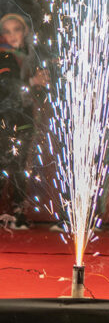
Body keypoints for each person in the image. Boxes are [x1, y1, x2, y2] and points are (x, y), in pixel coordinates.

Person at [0, 12, 46, 229]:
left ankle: (18, 212)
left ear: (25, 31)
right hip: (5, 118)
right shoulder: (4, 56)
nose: (12, 35)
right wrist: (32, 82)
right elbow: (6, 86)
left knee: (20, 166)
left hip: (24, 117)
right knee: (4, 164)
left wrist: (40, 84)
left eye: (16, 30)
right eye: (6, 31)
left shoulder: (30, 56)